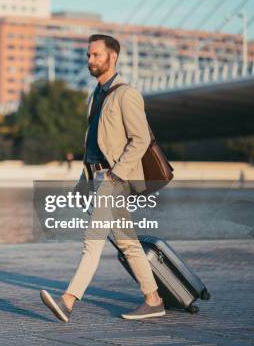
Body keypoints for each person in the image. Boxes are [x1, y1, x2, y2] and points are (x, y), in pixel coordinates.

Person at [40, 34, 165, 321]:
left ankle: (68, 300)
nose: (90, 60)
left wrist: (114, 175)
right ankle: (154, 299)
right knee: (127, 242)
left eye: (96, 55)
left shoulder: (126, 94)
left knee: (92, 241)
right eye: (88, 55)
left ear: (113, 57)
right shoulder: (95, 95)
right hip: (96, 178)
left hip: (113, 180)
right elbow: (95, 145)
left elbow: (141, 139)